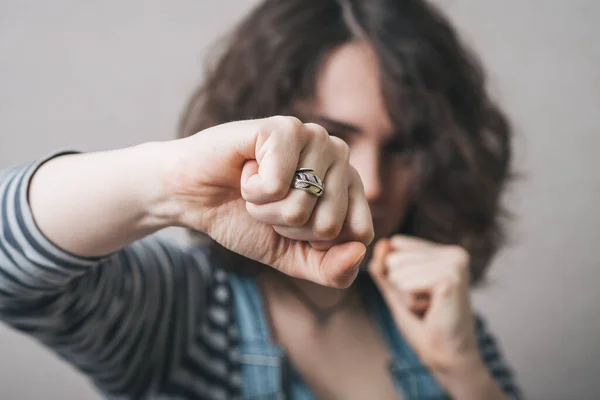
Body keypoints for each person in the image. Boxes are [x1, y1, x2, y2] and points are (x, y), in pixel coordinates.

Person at [0, 0, 523, 399]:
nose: (376, 184)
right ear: (263, 123)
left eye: (405, 147)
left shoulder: (443, 320)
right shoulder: (182, 305)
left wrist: (465, 373)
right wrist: (168, 182)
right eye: (335, 135)